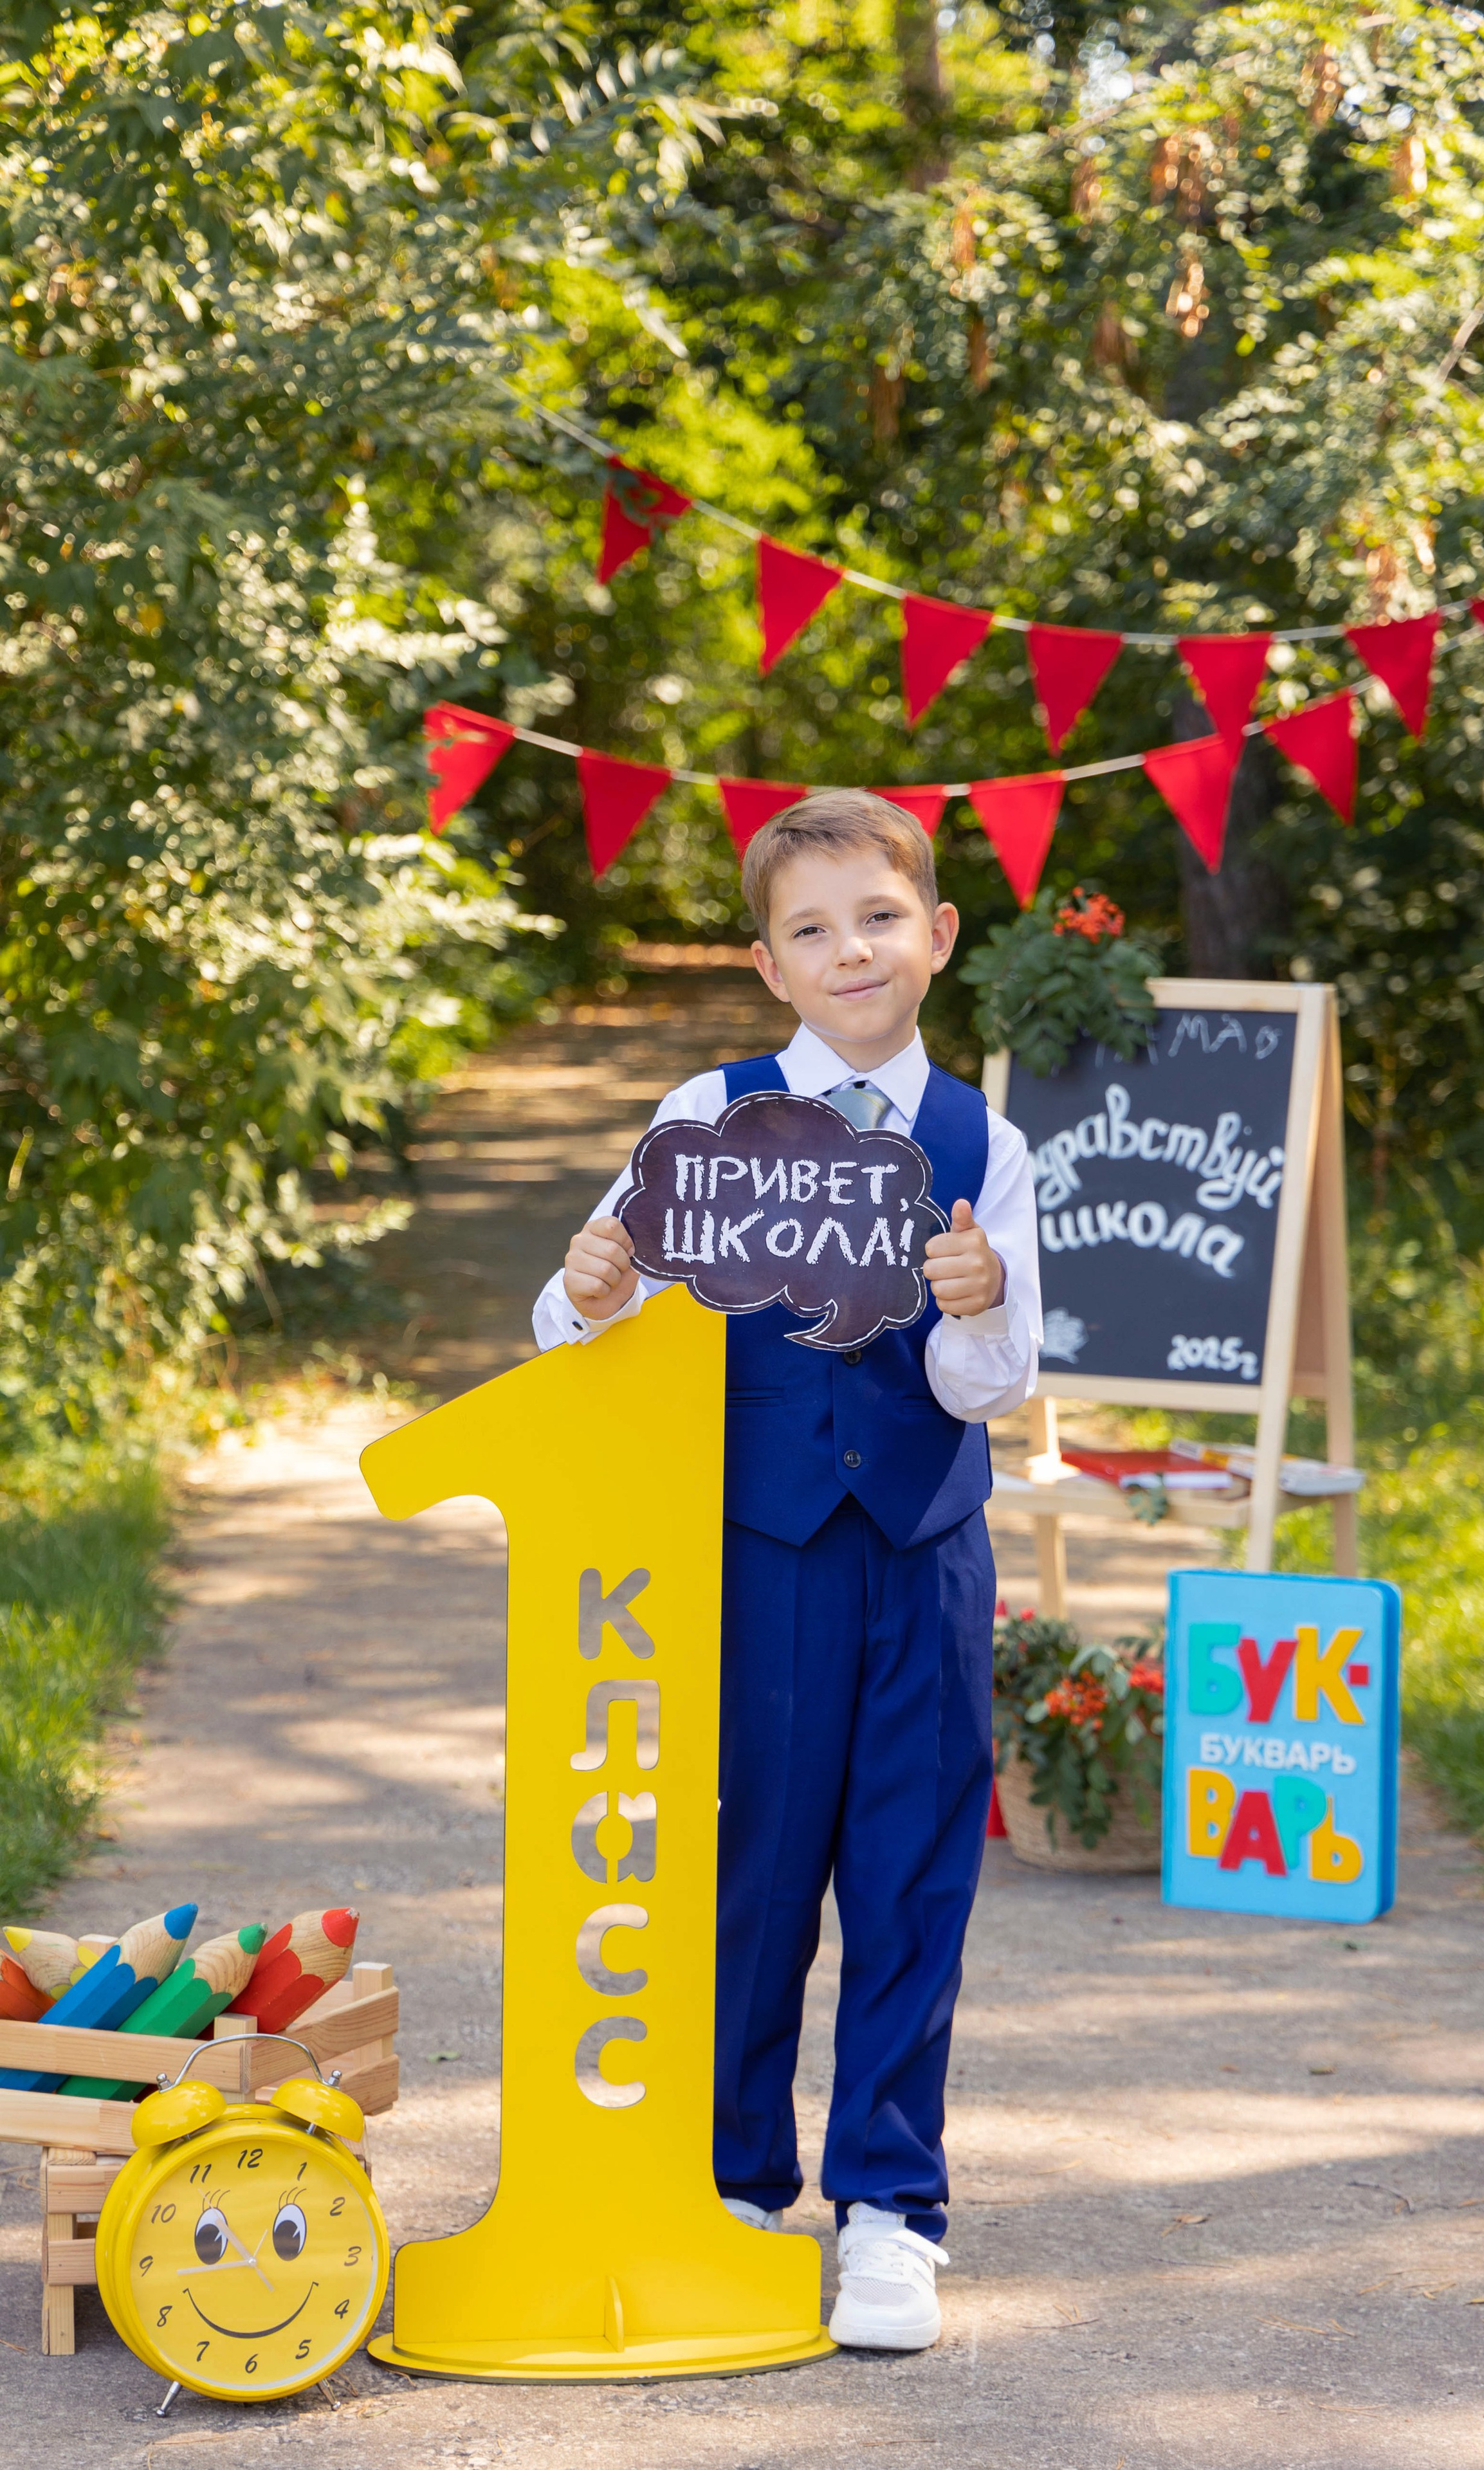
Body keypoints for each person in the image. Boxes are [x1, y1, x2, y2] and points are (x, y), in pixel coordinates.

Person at [533, 790, 1041, 2351]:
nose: (850, 952)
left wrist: (974, 1296)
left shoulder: (984, 1142)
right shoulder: (707, 1109)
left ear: (935, 937)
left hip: (922, 1556)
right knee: (753, 1873)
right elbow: (577, 1333)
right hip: (753, 1558)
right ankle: (731, 2179)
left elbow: (992, 1385)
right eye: (811, 930)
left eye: (878, 920)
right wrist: (591, 1285)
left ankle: (887, 2206)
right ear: (767, 962)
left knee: (909, 1875)